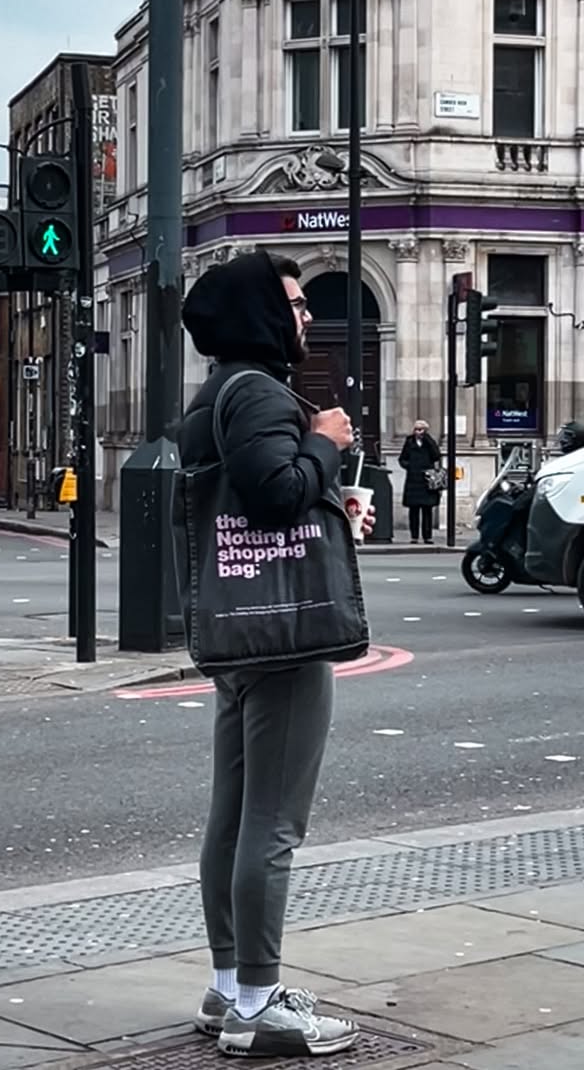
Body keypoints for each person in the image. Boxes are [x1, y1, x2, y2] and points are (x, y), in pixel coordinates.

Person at [179, 249, 370, 1059]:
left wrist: (331, 498)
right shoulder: (259, 391)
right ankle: (260, 1001)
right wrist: (325, 443)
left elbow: (262, 501)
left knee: (233, 815)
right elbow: (275, 491)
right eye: (291, 304)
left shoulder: (217, 391)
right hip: (286, 635)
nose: (305, 317)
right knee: (274, 822)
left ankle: (229, 987)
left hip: (245, 627)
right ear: (257, 313)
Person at [399, 419, 441, 544]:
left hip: (426, 480)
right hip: (413, 479)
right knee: (414, 510)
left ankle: (427, 536)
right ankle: (414, 536)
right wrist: (409, 466)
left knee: (427, 510)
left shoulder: (429, 442)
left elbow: (436, 455)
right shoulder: (409, 441)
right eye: (416, 429)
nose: (418, 432)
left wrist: (427, 439)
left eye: (421, 429)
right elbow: (402, 458)